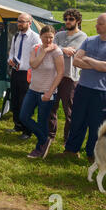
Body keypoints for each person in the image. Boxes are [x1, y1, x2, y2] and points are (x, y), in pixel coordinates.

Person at [56, 13, 106, 163]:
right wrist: (96, 64)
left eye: (100, 23)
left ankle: (92, 154)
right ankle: (71, 150)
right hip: (83, 87)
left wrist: (87, 59)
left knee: (97, 125)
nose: (96, 26)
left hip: (102, 91)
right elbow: (76, 62)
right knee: (77, 120)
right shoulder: (89, 40)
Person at [19, 25, 64, 159]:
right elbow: (33, 65)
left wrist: (49, 93)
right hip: (33, 89)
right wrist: (44, 52)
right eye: (46, 37)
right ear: (40, 37)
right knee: (24, 117)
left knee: (42, 121)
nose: (49, 40)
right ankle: (45, 140)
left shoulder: (57, 52)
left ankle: (39, 148)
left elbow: (60, 73)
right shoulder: (36, 48)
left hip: (47, 92)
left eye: (51, 37)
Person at [48, 9, 87, 144]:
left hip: (70, 77)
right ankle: (50, 135)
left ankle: (68, 139)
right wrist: (62, 49)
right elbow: (51, 46)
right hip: (54, 75)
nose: (68, 22)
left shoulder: (82, 36)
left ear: (78, 21)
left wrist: (59, 48)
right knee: (51, 106)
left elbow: (72, 51)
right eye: (66, 19)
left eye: (71, 19)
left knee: (69, 110)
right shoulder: (60, 34)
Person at [6, 13, 41, 140]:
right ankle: (18, 125)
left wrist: (26, 66)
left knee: (25, 102)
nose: (19, 24)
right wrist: (10, 60)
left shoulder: (35, 37)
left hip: (28, 73)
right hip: (15, 72)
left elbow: (38, 56)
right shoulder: (16, 36)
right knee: (15, 99)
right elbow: (12, 51)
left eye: (22, 21)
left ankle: (27, 130)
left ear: (29, 23)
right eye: (18, 21)